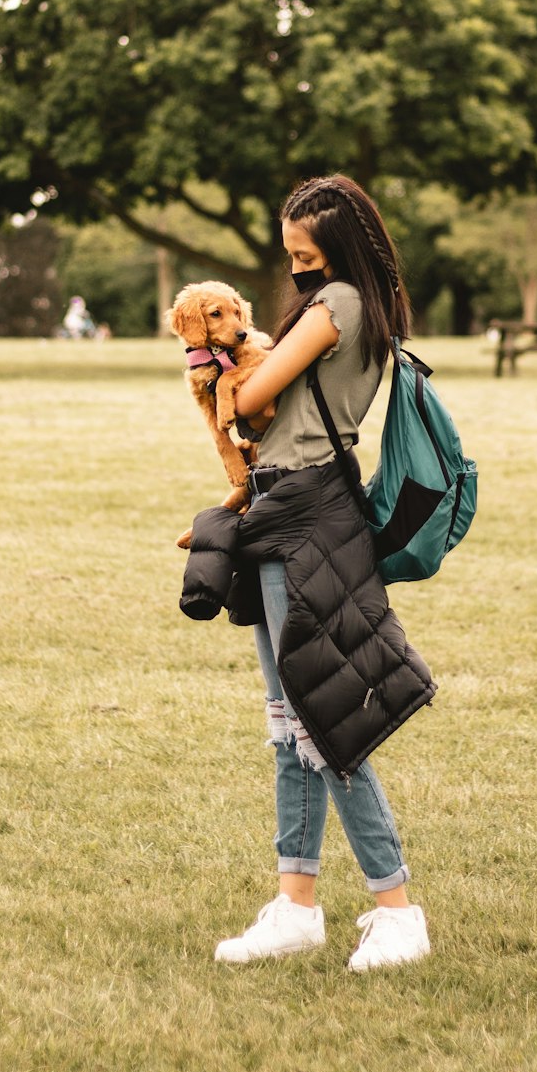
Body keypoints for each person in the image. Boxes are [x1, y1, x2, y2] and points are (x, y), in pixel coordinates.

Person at [188, 175, 435, 972]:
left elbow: (250, 396)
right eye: (290, 254)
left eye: (305, 254)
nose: (294, 269)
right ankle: (296, 905)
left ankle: (397, 912)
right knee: (287, 722)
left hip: (307, 510)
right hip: (278, 507)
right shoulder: (342, 305)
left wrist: (231, 372)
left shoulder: (340, 307)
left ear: (339, 249)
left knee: (324, 720)